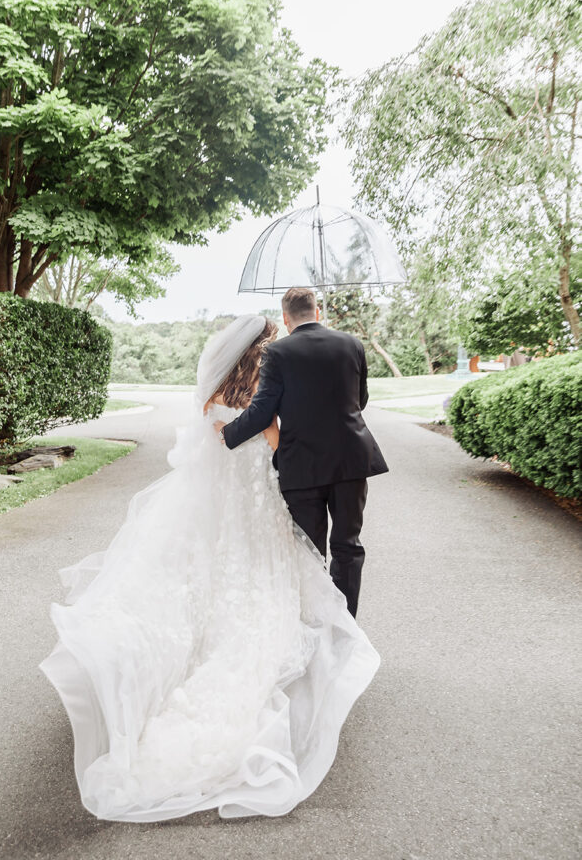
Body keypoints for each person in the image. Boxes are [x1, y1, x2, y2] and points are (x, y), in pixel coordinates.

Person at [39, 314, 379, 822]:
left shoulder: (210, 400)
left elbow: (203, 454)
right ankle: (332, 629)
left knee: (208, 577)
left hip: (218, 519)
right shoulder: (266, 395)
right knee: (309, 561)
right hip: (258, 511)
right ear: (262, 353)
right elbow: (275, 444)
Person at [215, 287, 388, 619]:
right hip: (351, 461)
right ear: (317, 310)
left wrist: (228, 433)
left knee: (311, 552)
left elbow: (263, 412)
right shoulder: (352, 344)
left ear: (286, 317)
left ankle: (315, 625)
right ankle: (345, 626)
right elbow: (360, 401)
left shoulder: (277, 353)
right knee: (348, 547)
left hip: (303, 466)